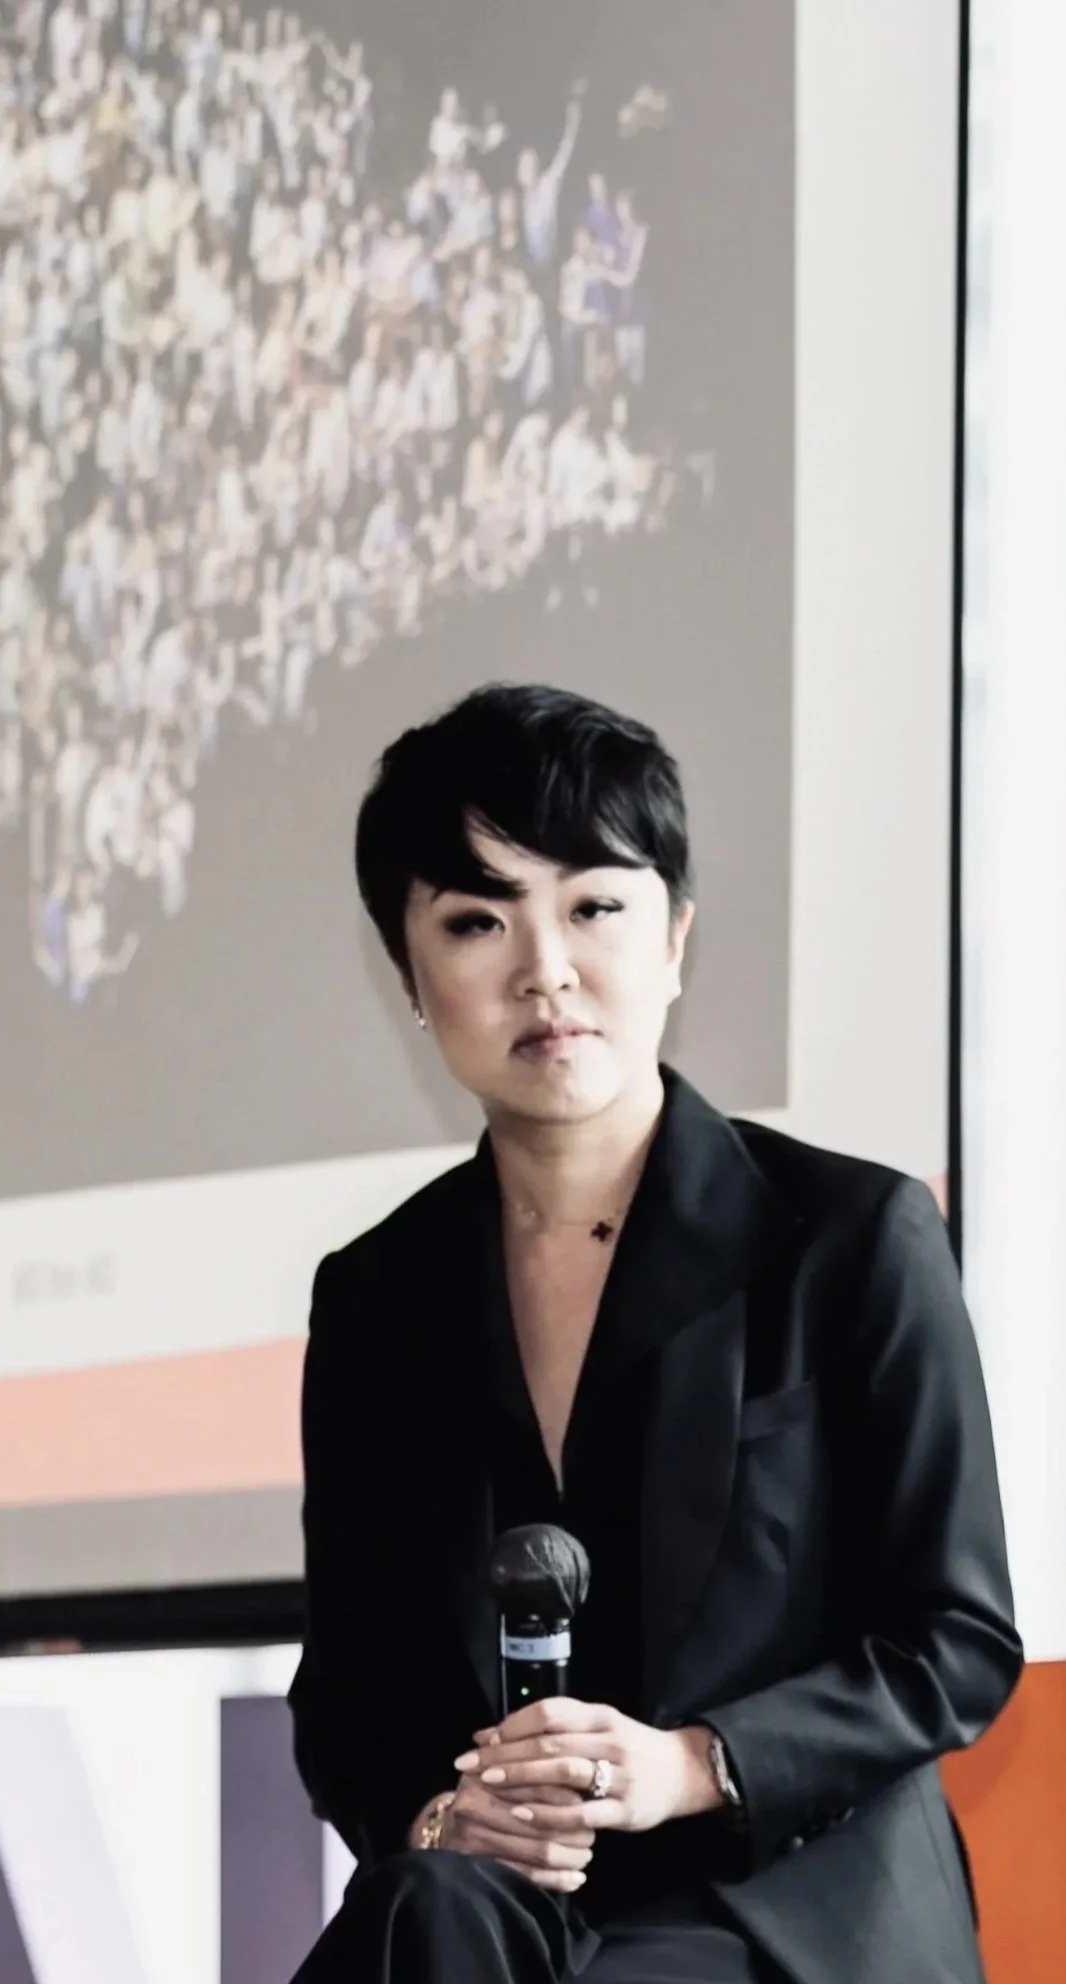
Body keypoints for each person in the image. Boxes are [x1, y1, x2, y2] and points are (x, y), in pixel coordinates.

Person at [288, 684, 1020, 1984]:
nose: (543, 970)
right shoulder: (375, 1295)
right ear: (408, 975)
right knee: (414, 1916)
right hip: (506, 1917)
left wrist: (690, 1766)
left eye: (593, 907)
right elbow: (351, 1691)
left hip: (788, 1910)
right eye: (474, 920)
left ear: (673, 940)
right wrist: (445, 1816)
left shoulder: (851, 1238)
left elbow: (950, 1643)